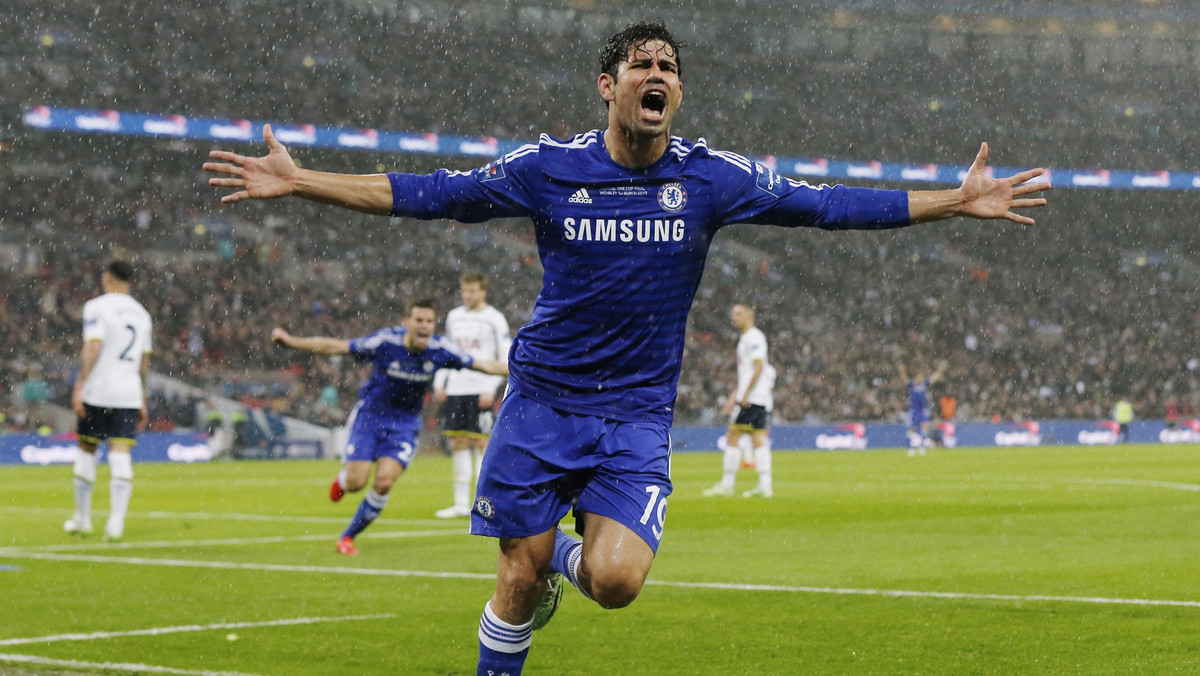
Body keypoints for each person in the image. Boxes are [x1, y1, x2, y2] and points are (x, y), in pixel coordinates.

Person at [204, 19, 1047, 674]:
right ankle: (534, 574)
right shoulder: (546, 167)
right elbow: (432, 194)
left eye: (670, 68)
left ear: (678, 95)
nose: (658, 76)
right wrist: (302, 179)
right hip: (539, 404)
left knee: (613, 583)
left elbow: (826, 207)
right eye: (642, 64)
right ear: (608, 86)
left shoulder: (711, 177)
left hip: (636, 415)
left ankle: (565, 546)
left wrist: (949, 202)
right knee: (515, 583)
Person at [270, 299, 508, 555]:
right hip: (370, 417)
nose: (424, 326)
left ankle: (347, 537)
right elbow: (337, 346)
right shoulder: (386, 342)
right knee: (356, 481)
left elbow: (484, 365)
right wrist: (293, 341)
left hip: (405, 424)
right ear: (406, 322)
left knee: (384, 482)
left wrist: (524, 370)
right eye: (418, 320)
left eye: (429, 321)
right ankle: (343, 481)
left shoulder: (440, 349)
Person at [64, 260, 153, 542]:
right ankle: (115, 524)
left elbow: (93, 346)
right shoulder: (143, 314)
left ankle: (83, 518)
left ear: (107, 278)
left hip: (99, 389)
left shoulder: (96, 307)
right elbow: (144, 362)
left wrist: (80, 383)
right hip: (128, 392)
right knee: (120, 454)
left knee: (87, 448)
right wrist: (142, 396)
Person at [432, 273, 511, 519]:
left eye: (473, 291)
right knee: (458, 444)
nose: (468, 296)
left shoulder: (494, 319)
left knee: (482, 445)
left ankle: (483, 502)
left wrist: (491, 386)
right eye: (465, 291)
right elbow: (448, 351)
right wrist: (440, 381)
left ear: (483, 292)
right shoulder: (454, 317)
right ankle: (459, 504)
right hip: (457, 388)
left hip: (480, 389)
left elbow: (504, 357)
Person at [705, 303, 775, 498]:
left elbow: (759, 366)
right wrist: (735, 395)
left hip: (752, 397)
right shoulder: (748, 337)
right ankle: (765, 486)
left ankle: (727, 485)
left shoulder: (753, 337)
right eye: (733, 313)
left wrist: (745, 395)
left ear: (750, 315)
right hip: (757, 396)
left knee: (733, 435)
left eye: (738, 313)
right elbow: (748, 372)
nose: (734, 317)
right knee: (758, 438)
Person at [899, 361, 947, 455]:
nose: (921, 378)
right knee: (911, 430)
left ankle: (922, 447)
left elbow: (933, 378)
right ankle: (910, 448)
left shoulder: (924, 384)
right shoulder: (911, 385)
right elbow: (904, 379)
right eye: (920, 377)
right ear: (916, 377)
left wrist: (940, 371)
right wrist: (902, 371)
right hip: (913, 411)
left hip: (922, 410)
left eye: (922, 377)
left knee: (925, 428)